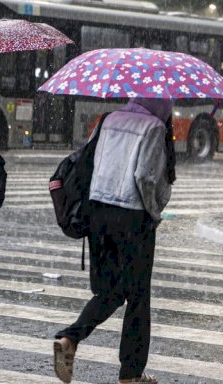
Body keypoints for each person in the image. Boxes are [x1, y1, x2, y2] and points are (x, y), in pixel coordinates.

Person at [53, 98, 175, 384]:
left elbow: (91, 162)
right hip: (133, 216)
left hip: (98, 213)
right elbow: (145, 177)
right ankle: (131, 373)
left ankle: (70, 338)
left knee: (109, 291)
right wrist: (155, 213)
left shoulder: (109, 119)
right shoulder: (154, 127)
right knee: (138, 296)